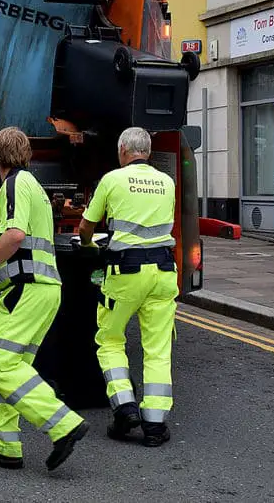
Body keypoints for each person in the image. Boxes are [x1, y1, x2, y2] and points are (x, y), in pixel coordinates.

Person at [0, 126, 89, 471]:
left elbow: (15, 235)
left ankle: (63, 424)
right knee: (5, 363)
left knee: (2, 364)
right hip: (37, 289)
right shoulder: (32, 186)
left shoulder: (15, 184)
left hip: (24, 288)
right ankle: (4, 445)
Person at [77, 126, 178, 447]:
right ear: (147, 152)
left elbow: (85, 227)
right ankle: (155, 425)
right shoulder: (167, 182)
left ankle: (124, 408)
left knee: (109, 340)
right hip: (163, 272)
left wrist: (89, 246)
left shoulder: (111, 180)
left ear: (122, 150)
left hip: (125, 273)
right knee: (158, 349)